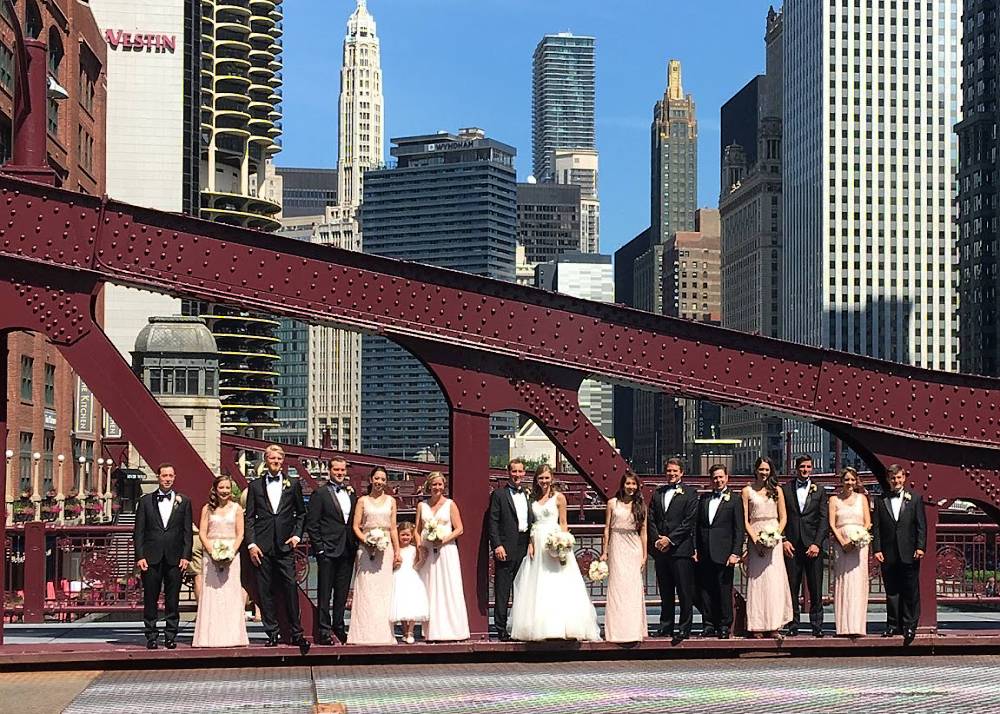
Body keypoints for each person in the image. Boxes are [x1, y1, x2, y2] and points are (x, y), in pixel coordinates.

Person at [509, 464, 600, 641]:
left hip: (554, 540)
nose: (544, 481)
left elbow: (564, 523)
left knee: (559, 582)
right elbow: (530, 523)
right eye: (541, 478)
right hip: (537, 541)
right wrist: (530, 543)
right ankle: (539, 627)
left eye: (547, 477)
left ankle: (562, 627)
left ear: (552, 479)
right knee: (539, 584)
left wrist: (563, 544)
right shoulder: (532, 497)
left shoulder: (559, 498)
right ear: (536, 479)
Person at [244, 444, 310, 653]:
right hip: (262, 547)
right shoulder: (255, 486)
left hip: (284, 546)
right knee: (265, 592)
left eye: (279, 459)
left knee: (290, 587)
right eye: (272, 459)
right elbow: (249, 518)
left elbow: (301, 513)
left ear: (283, 461)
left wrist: (297, 535)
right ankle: (271, 633)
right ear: (266, 460)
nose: (276, 462)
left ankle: (296, 633)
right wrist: (252, 544)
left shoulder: (293, 485)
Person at [133, 463, 192, 650]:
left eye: (170, 475)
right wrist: (140, 555)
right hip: (151, 557)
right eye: (164, 475)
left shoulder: (184, 501)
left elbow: (187, 532)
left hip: (175, 558)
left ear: (174, 477)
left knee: (172, 599)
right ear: (158, 477)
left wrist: (186, 555)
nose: (167, 478)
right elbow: (139, 532)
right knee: (150, 598)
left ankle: (170, 636)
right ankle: (151, 636)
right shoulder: (145, 501)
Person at [872, 463, 926, 645]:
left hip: (909, 551)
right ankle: (892, 624)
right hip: (887, 552)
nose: (896, 481)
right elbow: (877, 528)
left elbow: (921, 525)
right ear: (888, 480)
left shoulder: (915, 499)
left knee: (910, 589)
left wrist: (920, 547)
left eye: (899, 477)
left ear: (904, 478)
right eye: (893, 478)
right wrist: (876, 549)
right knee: (891, 590)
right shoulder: (880, 500)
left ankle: (910, 625)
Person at [192, 475, 249, 647]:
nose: (224, 491)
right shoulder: (207, 509)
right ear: (215, 490)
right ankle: (209, 637)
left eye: (227, 488)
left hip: (232, 555)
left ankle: (232, 637)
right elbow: (202, 532)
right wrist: (211, 551)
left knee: (230, 595)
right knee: (212, 595)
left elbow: (241, 533)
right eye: (221, 488)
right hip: (211, 555)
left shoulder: (237, 509)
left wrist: (231, 552)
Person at [306, 457, 357, 645]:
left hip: (347, 548)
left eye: (343, 470)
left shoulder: (352, 495)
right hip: (327, 550)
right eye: (336, 469)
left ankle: (339, 626)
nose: (340, 473)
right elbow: (312, 524)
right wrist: (319, 550)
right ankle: (324, 631)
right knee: (324, 593)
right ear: (329, 470)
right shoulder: (319, 494)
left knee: (342, 593)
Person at [647, 457, 698, 644]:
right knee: (665, 591)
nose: (672, 474)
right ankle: (665, 625)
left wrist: (670, 539)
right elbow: (650, 518)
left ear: (681, 473)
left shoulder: (691, 493)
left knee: (685, 591)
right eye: (669, 471)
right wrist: (658, 539)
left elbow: (689, 521)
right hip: (662, 550)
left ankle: (684, 628)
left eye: (675, 471)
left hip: (681, 549)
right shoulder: (658, 493)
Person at [347, 465, 399, 645]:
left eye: (383, 479)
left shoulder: (391, 501)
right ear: (371, 480)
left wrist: (397, 550)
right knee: (366, 590)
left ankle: (384, 634)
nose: (380, 482)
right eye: (377, 479)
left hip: (385, 548)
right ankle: (362, 634)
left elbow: (393, 527)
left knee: (384, 591)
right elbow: (355, 526)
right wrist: (366, 541)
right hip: (366, 547)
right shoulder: (362, 501)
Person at [416, 472, 470, 641]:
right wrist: (420, 547)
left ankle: (452, 629)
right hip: (427, 553)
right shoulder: (421, 506)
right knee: (429, 587)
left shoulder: (450, 504)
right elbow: (417, 530)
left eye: (440, 484)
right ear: (429, 486)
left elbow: (459, 528)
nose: (437, 488)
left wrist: (443, 540)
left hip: (446, 551)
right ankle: (430, 630)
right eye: (434, 485)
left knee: (448, 587)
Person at [743, 456, 793, 639]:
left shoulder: (777, 490)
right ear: (755, 470)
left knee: (774, 582)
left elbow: (783, 517)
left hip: (774, 538)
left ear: (771, 471)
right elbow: (746, 520)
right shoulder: (747, 491)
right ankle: (756, 625)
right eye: (761, 469)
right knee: (757, 582)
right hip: (756, 536)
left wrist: (775, 536)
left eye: (767, 470)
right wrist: (755, 540)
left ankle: (774, 625)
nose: (763, 473)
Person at [695, 463, 744, 639]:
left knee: (724, 590)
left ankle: (724, 625)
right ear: (710, 480)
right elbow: (698, 526)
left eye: (721, 477)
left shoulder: (735, 500)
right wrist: (695, 549)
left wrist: (735, 553)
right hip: (705, 552)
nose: (718, 480)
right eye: (715, 478)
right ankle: (708, 624)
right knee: (706, 590)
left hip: (724, 553)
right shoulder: (704, 499)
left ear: (727, 478)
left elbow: (739, 529)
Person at [781, 454, 829, 637]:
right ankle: (793, 625)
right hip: (792, 545)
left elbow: (823, 519)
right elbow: (781, 517)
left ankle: (817, 626)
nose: (805, 470)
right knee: (792, 587)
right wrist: (784, 539)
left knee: (816, 588)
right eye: (802, 467)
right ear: (796, 468)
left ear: (812, 468)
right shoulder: (786, 489)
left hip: (813, 547)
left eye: (808, 467)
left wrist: (817, 543)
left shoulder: (820, 490)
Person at [600, 471, 648, 643]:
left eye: (634, 484)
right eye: (628, 484)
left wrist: (644, 555)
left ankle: (633, 631)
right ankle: (616, 631)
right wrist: (604, 551)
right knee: (617, 588)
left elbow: (643, 532)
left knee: (632, 589)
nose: (631, 487)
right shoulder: (612, 503)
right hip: (617, 546)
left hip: (633, 547)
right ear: (622, 485)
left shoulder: (640, 506)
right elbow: (607, 529)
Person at [488, 458, 532, 641]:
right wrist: (497, 545)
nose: (517, 475)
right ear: (508, 473)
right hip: (506, 546)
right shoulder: (499, 495)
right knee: (503, 589)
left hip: (524, 545)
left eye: (520, 471)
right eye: (514, 471)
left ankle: (519, 627)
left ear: (525, 473)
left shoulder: (528, 494)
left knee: (523, 589)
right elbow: (493, 521)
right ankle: (501, 628)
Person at [829, 466, 871, 638]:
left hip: (859, 545)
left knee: (858, 583)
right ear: (841, 481)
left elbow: (868, 522)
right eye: (846, 480)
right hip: (842, 544)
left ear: (857, 481)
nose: (850, 483)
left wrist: (857, 539)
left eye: (852, 480)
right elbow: (832, 524)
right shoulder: (834, 500)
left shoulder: (862, 499)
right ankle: (843, 626)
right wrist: (843, 542)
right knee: (843, 581)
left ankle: (858, 625)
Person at [391, 521, 429, 644]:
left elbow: (416, 565)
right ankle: (404, 630)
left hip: (411, 576)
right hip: (399, 576)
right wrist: (395, 564)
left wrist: (422, 558)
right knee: (401, 603)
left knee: (412, 603)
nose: (405, 537)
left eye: (408, 535)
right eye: (402, 535)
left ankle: (410, 631)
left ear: (412, 536)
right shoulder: (396, 550)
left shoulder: (414, 549)